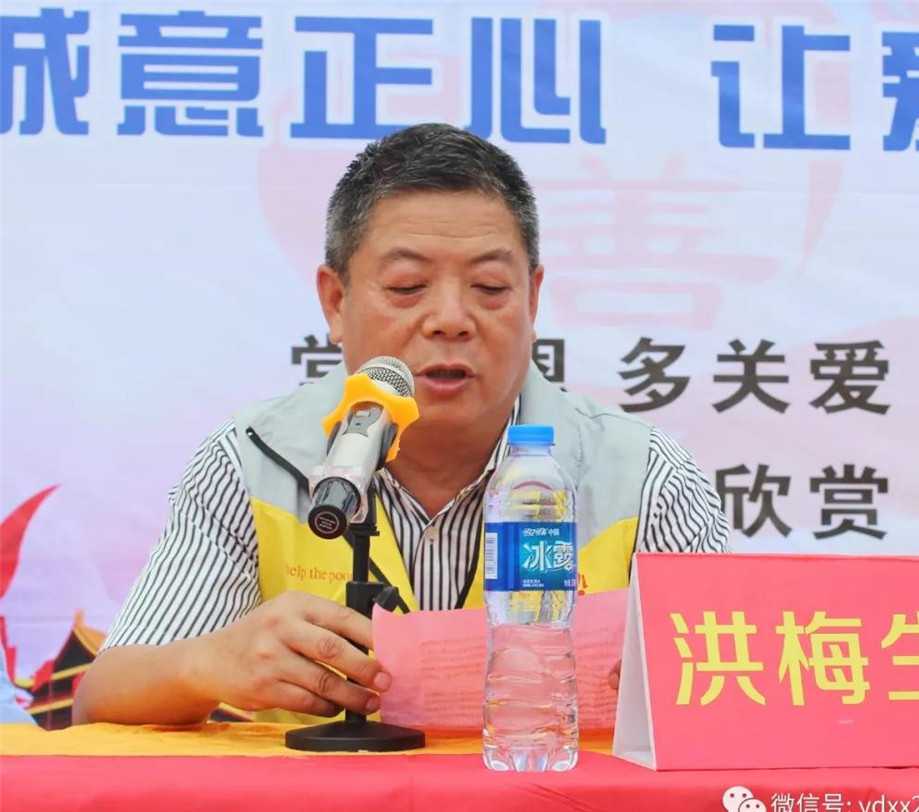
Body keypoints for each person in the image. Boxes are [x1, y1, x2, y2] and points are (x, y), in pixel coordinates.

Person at [73, 123, 729, 727]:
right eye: (408, 287)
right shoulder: (253, 460)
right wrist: (210, 662)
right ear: (336, 302)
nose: (450, 319)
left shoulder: (643, 477)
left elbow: (742, 694)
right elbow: (102, 703)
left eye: (490, 288)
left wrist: (680, 682)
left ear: (532, 300)